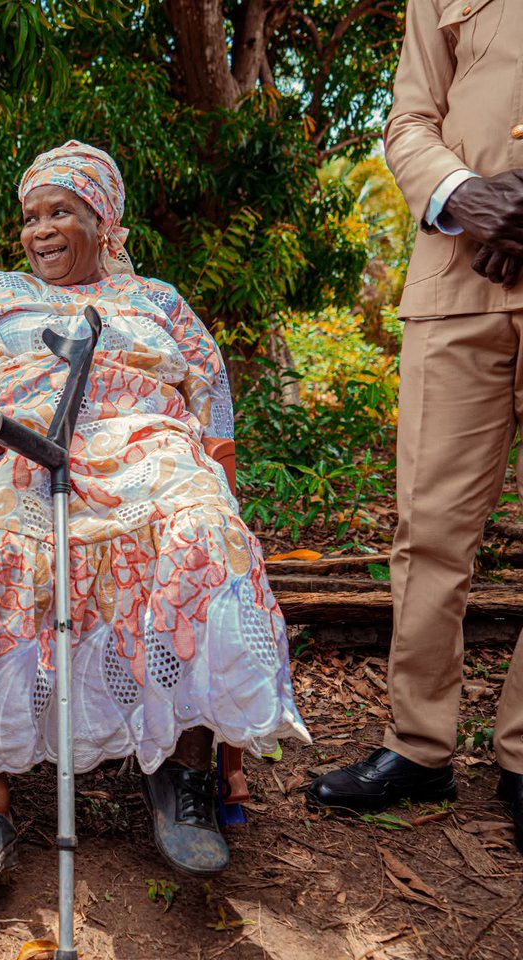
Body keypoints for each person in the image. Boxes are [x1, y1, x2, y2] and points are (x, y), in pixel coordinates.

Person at [0, 141, 309, 889]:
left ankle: (183, 779)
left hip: (147, 451)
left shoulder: (159, 301)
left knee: (202, 533)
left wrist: (208, 468)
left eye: (60, 212)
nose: (39, 230)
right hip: (14, 442)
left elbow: (212, 396)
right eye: (30, 216)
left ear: (103, 222)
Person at [308, 1, 523, 848]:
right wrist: (467, 194)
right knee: (428, 528)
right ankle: (419, 747)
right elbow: (410, 117)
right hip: (454, 285)